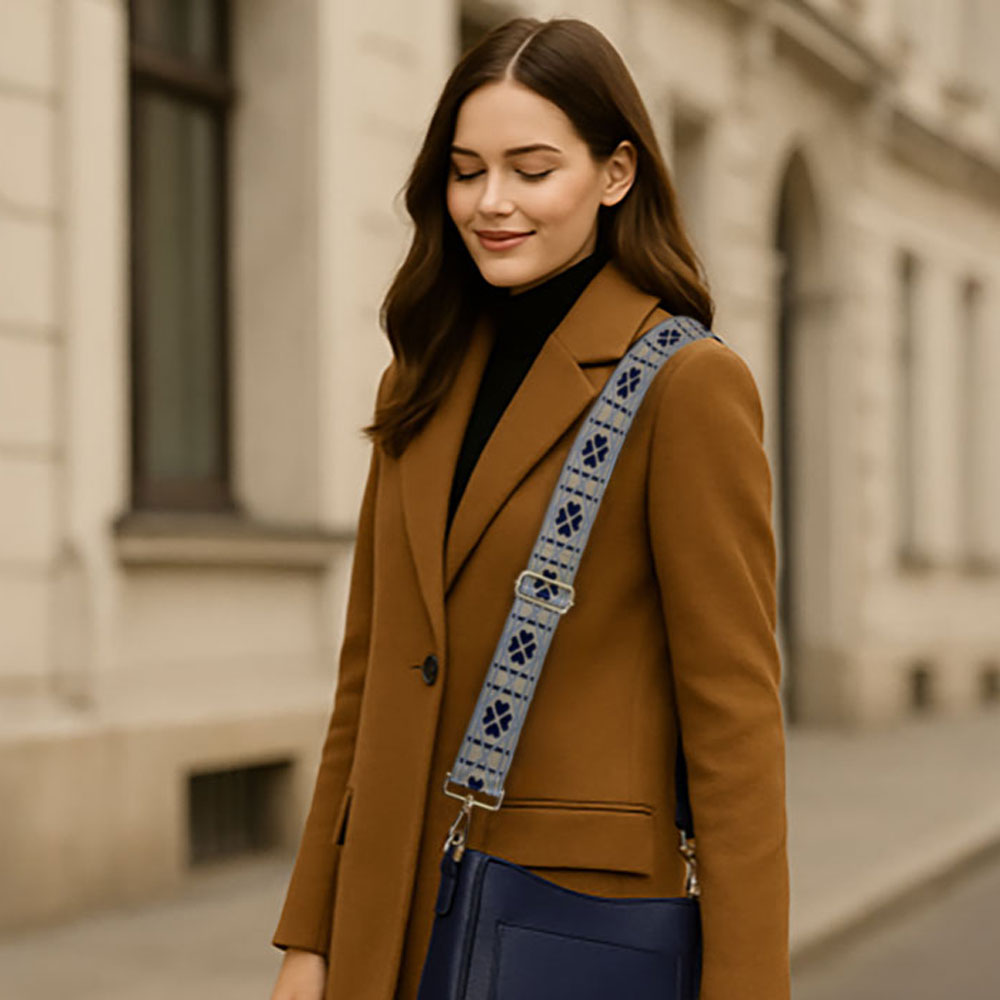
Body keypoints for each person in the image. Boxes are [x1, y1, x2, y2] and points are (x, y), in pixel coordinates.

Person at [269, 15, 789, 1000]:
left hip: (564, 931)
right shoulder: (420, 377)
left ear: (615, 172)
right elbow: (368, 680)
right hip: (384, 923)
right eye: (466, 170)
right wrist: (312, 935)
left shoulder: (686, 385)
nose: (490, 202)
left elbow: (735, 732)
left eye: (531, 168)